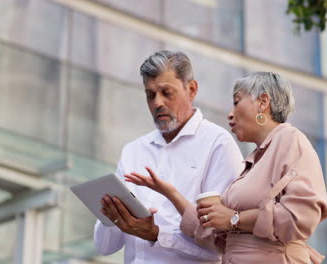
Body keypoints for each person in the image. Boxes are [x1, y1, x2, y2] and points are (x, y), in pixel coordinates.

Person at [126, 72, 327, 264]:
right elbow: (220, 237)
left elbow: (299, 217)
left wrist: (235, 218)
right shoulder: (254, 162)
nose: (230, 115)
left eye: (236, 102)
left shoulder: (290, 140)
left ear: (263, 102)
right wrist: (170, 193)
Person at [93, 50, 244, 264]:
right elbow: (104, 247)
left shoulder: (218, 144)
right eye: (150, 95)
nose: (157, 103)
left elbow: (222, 244)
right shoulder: (133, 151)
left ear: (191, 90)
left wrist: (157, 234)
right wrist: (112, 215)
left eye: (166, 92)